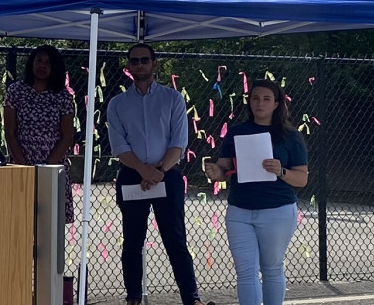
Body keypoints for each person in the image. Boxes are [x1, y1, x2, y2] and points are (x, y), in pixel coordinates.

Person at [107, 43, 211, 305]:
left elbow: (179, 143)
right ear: (129, 67)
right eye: (135, 61)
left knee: (175, 238)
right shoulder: (117, 104)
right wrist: (144, 170)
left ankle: (192, 299)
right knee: (132, 240)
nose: (140, 65)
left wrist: (159, 171)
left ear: (155, 64)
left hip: (168, 176)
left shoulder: (173, 99)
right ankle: (133, 297)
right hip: (132, 176)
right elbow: (119, 147)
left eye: (145, 60)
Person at [204, 79, 308, 305]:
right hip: (240, 210)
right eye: (255, 98)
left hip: (277, 210)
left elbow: (301, 179)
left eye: (266, 99)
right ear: (249, 101)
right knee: (246, 271)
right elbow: (224, 169)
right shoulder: (236, 132)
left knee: (271, 268)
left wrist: (280, 171)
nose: (260, 103)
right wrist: (216, 172)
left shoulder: (290, 136)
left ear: (276, 104)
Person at [4, 44, 75, 222]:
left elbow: (67, 136)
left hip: (52, 165)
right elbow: (10, 132)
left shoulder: (63, 96)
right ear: (32, 63)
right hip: (22, 161)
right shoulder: (16, 91)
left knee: (50, 225)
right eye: (39, 61)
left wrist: (46, 167)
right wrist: (24, 166)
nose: (42, 66)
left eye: (48, 63)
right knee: (21, 220)